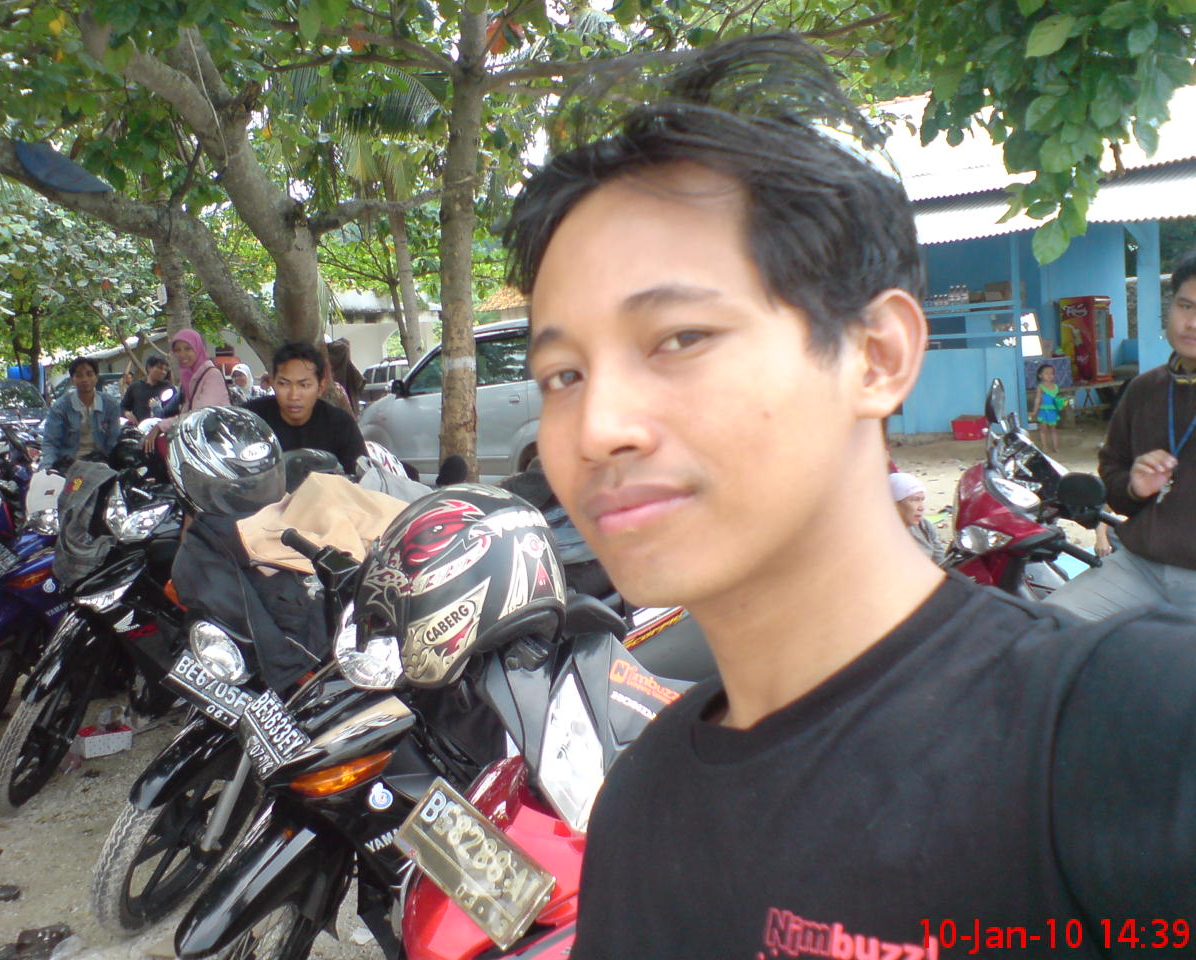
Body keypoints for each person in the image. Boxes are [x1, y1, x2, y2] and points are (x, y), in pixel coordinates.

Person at [505, 34, 1196, 959]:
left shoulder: (1121, 737)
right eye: (562, 374)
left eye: (678, 338)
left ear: (876, 356)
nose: (596, 428)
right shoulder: (637, 804)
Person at [1046, 252, 1196, 621]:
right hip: (1139, 566)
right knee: (1046, 629)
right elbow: (1111, 470)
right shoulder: (1144, 390)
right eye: (1185, 306)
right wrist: (1133, 487)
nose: (1191, 323)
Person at [244, 341, 366, 473]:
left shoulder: (341, 425)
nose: (294, 396)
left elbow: (361, 477)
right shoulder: (250, 420)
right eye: (284, 384)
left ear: (321, 387)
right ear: (273, 383)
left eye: (304, 385)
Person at [142, 329, 230, 452]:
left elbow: (199, 415)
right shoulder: (190, 377)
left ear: (198, 348)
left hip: (216, 444)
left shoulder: (211, 375)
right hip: (199, 439)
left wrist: (161, 426)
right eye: (177, 350)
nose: (182, 354)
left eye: (188, 348)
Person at [39, 357, 120, 469]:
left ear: (96, 377)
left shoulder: (110, 404)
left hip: (102, 465)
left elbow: (114, 441)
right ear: (72, 379)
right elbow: (51, 443)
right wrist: (48, 468)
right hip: (69, 466)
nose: (85, 379)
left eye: (89, 374)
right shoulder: (60, 407)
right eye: (79, 375)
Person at [889, 472, 944, 566]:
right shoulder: (882, 536)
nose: (921, 507)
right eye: (914, 500)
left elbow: (941, 563)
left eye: (922, 500)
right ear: (895, 504)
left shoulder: (925, 526)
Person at [120, 355, 171, 425]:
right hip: (140, 428)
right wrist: (127, 413)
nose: (163, 372)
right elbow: (122, 407)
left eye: (165, 370)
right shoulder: (135, 387)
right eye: (160, 368)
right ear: (149, 368)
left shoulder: (168, 388)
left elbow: (173, 411)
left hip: (162, 427)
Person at [1030, 362, 1065, 453]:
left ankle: (1056, 447)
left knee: (1053, 430)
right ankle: (1044, 447)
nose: (1049, 375)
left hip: (1053, 411)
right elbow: (1037, 399)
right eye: (1046, 373)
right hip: (1043, 411)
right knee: (1043, 430)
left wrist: (1061, 404)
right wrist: (1034, 411)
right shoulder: (1040, 387)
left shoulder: (1056, 387)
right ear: (1040, 375)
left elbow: (1057, 399)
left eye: (1051, 373)